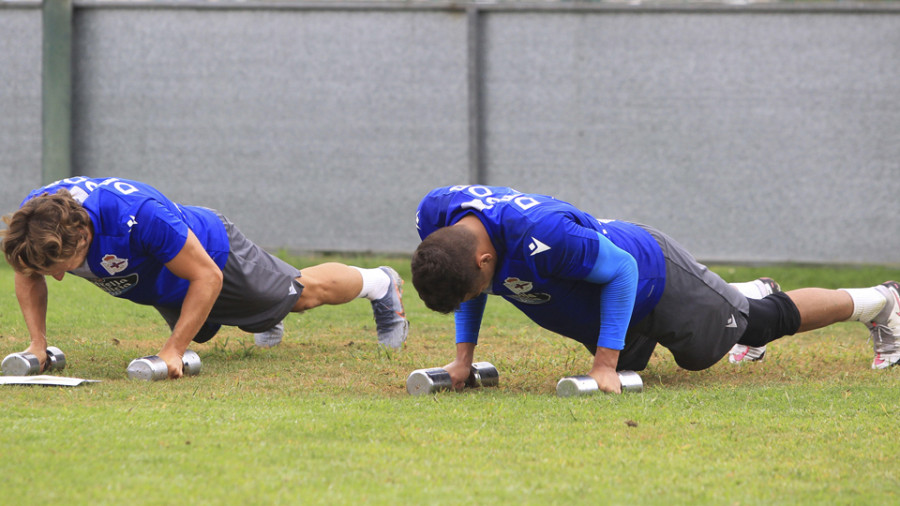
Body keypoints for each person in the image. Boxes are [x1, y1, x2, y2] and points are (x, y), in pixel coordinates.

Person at [411, 185, 899, 393]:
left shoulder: (544, 235)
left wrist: (602, 366)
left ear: (486, 259)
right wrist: (461, 359)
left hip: (648, 272)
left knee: (756, 325)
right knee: (633, 361)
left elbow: (620, 270)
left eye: (480, 284)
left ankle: (880, 301)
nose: (480, 294)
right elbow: (466, 287)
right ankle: (734, 295)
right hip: (588, 294)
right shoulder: (439, 222)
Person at [1, 176, 408, 378]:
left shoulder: (137, 216)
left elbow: (207, 277)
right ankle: (262, 313)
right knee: (204, 331)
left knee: (300, 294)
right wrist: (38, 344)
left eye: (63, 266)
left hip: (211, 254)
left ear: (85, 234)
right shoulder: (36, 221)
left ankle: (381, 284)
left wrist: (172, 350)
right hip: (156, 274)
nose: (57, 278)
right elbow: (28, 273)